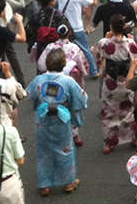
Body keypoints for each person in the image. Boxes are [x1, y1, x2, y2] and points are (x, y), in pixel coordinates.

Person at [25, 49, 87, 197]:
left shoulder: (39, 80)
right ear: (63, 64)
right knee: (65, 150)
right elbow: (81, 99)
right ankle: (69, 182)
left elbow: (30, 95)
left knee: (43, 152)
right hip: (61, 120)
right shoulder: (68, 81)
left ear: (47, 63)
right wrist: (75, 115)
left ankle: (44, 185)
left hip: (43, 119)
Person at [92, 15, 137, 154]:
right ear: (123, 28)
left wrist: (102, 65)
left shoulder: (104, 43)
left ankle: (108, 144)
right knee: (128, 112)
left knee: (108, 114)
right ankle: (132, 139)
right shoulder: (129, 43)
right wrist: (134, 71)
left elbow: (96, 54)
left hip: (110, 82)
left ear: (111, 27)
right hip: (126, 83)